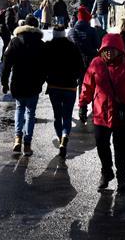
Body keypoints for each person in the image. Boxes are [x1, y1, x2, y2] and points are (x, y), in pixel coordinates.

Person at [79, 32, 125, 194]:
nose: (108, 52)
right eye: (105, 49)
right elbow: (87, 85)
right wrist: (82, 105)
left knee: (122, 147)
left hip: (122, 115)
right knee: (102, 145)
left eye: (112, 49)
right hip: (101, 114)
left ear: (119, 49)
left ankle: (122, 177)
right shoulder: (96, 63)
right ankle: (106, 172)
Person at [1, 15, 46, 157]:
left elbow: (6, 63)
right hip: (34, 83)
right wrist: (42, 81)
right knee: (30, 113)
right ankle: (27, 144)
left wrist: (4, 82)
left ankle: (17, 138)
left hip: (18, 82)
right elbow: (46, 66)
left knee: (20, 109)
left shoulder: (14, 41)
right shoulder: (41, 43)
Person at [44, 24, 83, 158]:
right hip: (70, 87)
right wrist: (76, 78)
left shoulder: (48, 47)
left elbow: (43, 66)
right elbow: (81, 66)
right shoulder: (73, 47)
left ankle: (60, 137)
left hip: (54, 86)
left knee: (57, 116)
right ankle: (65, 135)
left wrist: (47, 78)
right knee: (67, 115)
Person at [68, 6, 100, 122]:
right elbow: (98, 45)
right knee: (95, 85)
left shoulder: (72, 32)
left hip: (76, 62)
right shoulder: (92, 31)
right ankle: (96, 109)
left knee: (82, 85)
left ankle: (82, 109)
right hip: (91, 61)